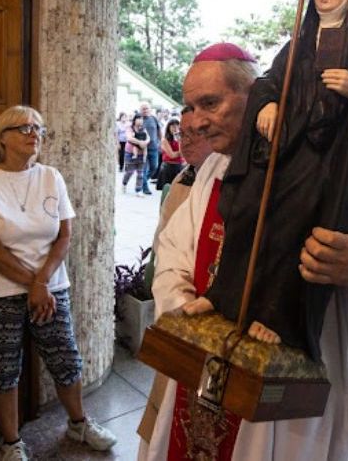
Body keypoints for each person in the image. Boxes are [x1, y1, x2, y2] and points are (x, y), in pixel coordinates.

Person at [141, 42, 348, 460]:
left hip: (290, 395)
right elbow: (173, 252)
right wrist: (188, 314)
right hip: (208, 366)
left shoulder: (326, 170)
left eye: (210, 103)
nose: (196, 122)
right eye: (189, 107)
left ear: (258, 93)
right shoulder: (215, 171)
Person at [205, 0, 348, 358]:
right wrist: (269, 103)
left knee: (296, 227)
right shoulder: (299, 45)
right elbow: (269, 82)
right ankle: (227, 297)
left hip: (327, 163)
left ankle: (278, 316)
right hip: (284, 148)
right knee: (246, 208)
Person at [0, 105, 116, 461]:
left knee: (65, 358)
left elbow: (64, 235)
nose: (34, 134)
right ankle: (11, 443)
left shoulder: (50, 176)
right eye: (24, 128)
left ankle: (78, 422)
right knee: (2, 368)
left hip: (49, 287)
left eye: (39, 129)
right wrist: (34, 284)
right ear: (2, 138)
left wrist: (41, 282)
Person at [137, 107, 213, 444]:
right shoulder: (183, 177)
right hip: (176, 302)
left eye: (198, 133)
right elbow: (165, 240)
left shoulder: (228, 182)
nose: (186, 141)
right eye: (182, 133)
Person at [122, 114, 151, 196]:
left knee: (140, 173)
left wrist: (145, 143)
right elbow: (129, 138)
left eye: (141, 119)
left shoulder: (143, 128)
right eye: (138, 119)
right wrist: (140, 142)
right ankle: (124, 183)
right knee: (129, 172)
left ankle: (138, 190)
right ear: (134, 120)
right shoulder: (129, 128)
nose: (140, 120)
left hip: (141, 153)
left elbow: (148, 138)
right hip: (130, 153)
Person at [156, 118, 184, 190]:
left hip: (179, 166)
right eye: (173, 126)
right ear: (168, 128)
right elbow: (172, 155)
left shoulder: (181, 139)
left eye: (177, 126)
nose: (175, 128)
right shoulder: (165, 139)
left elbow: (183, 154)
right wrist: (180, 152)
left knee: (178, 191)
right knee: (167, 191)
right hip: (168, 167)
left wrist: (179, 141)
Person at [140, 102, 162, 194]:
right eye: (143, 109)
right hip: (142, 148)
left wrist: (160, 142)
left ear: (150, 109)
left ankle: (141, 181)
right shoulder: (139, 120)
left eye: (146, 108)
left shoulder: (153, 118)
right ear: (140, 110)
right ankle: (145, 188)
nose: (145, 110)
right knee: (143, 169)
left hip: (154, 147)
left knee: (154, 167)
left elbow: (159, 130)